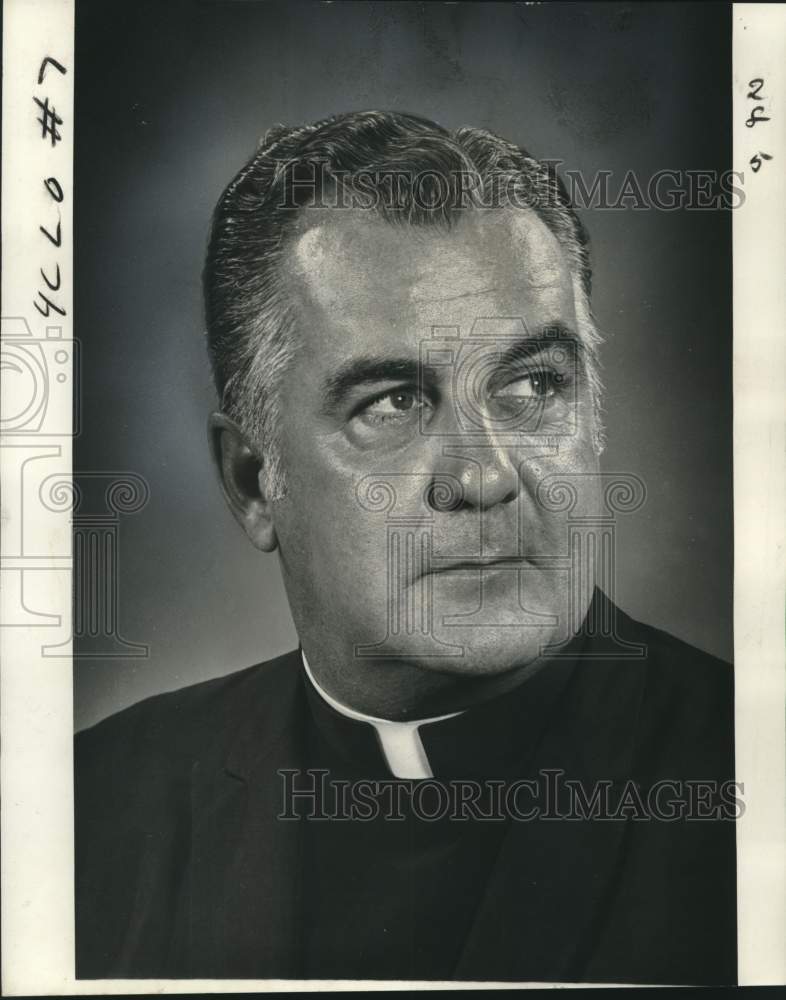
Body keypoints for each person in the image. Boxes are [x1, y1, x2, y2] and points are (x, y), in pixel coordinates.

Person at [75, 110, 736, 984]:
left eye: (535, 385)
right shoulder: (92, 803)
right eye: (392, 403)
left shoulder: (746, 765)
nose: (485, 477)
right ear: (250, 480)